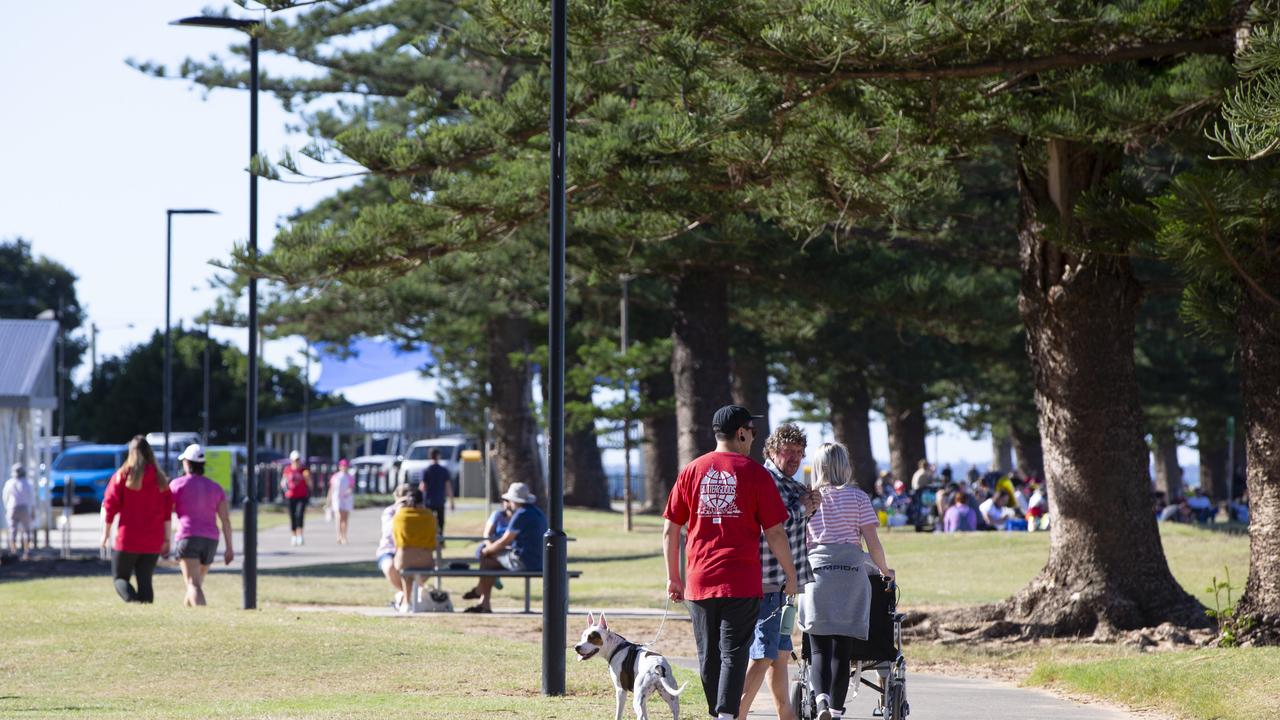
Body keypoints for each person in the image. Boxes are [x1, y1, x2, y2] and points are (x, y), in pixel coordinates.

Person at [662, 405, 797, 720]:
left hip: (699, 582)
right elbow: (775, 532)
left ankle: (718, 713)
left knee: (708, 656)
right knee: (733, 653)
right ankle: (724, 714)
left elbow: (670, 528)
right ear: (741, 433)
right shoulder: (755, 473)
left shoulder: (692, 470)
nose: (753, 438)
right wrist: (790, 573)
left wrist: (673, 577)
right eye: (752, 431)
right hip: (741, 582)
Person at [799, 442, 894, 720]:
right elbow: (872, 543)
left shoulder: (809, 500)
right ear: (845, 465)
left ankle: (820, 701)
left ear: (818, 467)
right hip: (850, 574)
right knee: (843, 649)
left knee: (818, 649)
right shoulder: (859, 498)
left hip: (816, 575)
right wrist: (884, 570)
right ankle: (836, 713)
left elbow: (800, 542)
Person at [739, 424, 818, 720]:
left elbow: (796, 524)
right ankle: (736, 715)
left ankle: (786, 714)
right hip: (767, 582)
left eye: (800, 452)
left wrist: (812, 507)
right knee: (762, 655)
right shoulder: (765, 480)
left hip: (787, 586)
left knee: (780, 657)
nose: (796, 458)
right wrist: (801, 508)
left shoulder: (791, 485)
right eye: (790, 451)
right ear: (772, 451)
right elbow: (771, 527)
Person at [100, 436, 173, 604]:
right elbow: (167, 513)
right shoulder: (160, 479)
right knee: (145, 580)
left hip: (128, 539)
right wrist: (167, 539)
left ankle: (133, 603)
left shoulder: (123, 476)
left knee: (120, 578)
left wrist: (105, 535)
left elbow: (110, 506)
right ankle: (145, 607)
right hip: (153, 540)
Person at [464, 482, 546, 613]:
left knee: (487, 560)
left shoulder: (521, 514)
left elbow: (504, 541)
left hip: (524, 561)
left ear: (514, 501)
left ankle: (483, 600)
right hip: (541, 561)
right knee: (491, 560)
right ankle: (483, 601)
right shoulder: (538, 513)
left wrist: (486, 551)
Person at [169, 444, 234, 607]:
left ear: (186, 463)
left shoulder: (177, 485)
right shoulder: (216, 488)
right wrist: (229, 548)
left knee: (193, 584)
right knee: (195, 584)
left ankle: (203, 618)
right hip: (211, 540)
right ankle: (186, 618)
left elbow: (165, 514)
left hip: (188, 537)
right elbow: (225, 520)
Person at [392, 487, 438, 613]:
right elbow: (434, 538)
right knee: (414, 572)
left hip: (403, 559)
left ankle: (406, 602)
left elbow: (396, 539)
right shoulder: (429, 516)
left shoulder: (400, 516)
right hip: (426, 561)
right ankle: (411, 599)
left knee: (407, 572)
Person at [376, 483, 414, 608]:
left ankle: (405, 598)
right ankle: (405, 595)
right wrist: (399, 512)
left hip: (408, 549)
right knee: (389, 566)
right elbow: (389, 531)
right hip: (389, 550)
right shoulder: (389, 511)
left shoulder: (415, 511)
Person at [418, 448, 455, 538]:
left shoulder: (426, 470)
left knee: (427, 521)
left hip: (428, 501)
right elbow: (448, 487)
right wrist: (452, 501)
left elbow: (422, 486)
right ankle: (440, 539)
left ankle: (428, 538)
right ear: (438, 456)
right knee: (441, 522)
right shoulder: (443, 470)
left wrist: (418, 500)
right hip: (439, 500)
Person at [4, 463, 35, 559]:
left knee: (12, 530)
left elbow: (5, 497)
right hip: (24, 508)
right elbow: (32, 498)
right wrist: (33, 510)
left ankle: (14, 551)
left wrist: (7, 508)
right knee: (26, 530)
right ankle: (26, 552)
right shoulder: (27, 483)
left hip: (12, 507)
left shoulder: (10, 483)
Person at [280, 450, 311, 546]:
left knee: (300, 515)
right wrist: (286, 490)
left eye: (298, 460)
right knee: (292, 516)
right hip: (290, 496)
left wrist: (307, 478)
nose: (296, 462)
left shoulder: (304, 471)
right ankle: (294, 536)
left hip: (301, 496)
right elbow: (283, 482)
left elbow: (310, 484)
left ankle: (300, 535)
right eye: (295, 460)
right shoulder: (287, 470)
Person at [328, 459, 356, 544]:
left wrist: (348, 492)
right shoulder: (335, 476)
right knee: (338, 517)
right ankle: (338, 535)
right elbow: (331, 488)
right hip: (337, 499)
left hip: (346, 499)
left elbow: (351, 488)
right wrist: (328, 499)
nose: (344, 467)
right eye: (342, 466)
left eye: (345, 466)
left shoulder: (350, 477)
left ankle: (344, 536)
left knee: (345, 518)